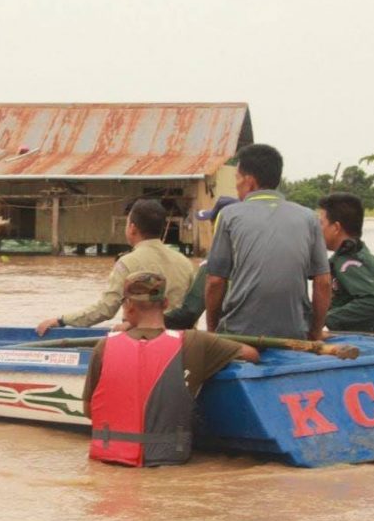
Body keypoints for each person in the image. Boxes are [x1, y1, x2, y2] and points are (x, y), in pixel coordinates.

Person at [84, 273, 259, 467]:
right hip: (169, 461)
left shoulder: (104, 347)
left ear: (128, 306)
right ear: (166, 303)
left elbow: (89, 411)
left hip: (111, 464)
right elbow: (251, 354)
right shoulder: (195, 342)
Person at [205, 144, 331, 340]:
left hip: (240, 334)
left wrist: (212, 334)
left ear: (250, 181)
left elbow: (215, 281)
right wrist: (314, 333)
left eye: (237, 178)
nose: (236, 185)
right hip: (295, 333)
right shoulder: (309, 217)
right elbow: (323, 283)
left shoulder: (228, 215)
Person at [36, 199, 195, 335]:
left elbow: (106, 309)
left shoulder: (127, 263)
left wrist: (62, 320)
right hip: (181, 339)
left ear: (132, 228)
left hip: (141, 338)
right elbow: (189, 311)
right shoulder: (185, 263)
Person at [317, 193, 374, 336]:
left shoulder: (348, 263)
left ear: (336, 227)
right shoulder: (352, 254)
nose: (317, 230)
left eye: (321, 224)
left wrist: (324, 319)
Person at [164, 196, 238, 330]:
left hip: (230, 336)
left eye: (211, 222)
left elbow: (188, 314)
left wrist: (150, 320)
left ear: (218, 226)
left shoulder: (214, 262)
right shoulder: (253, 254)